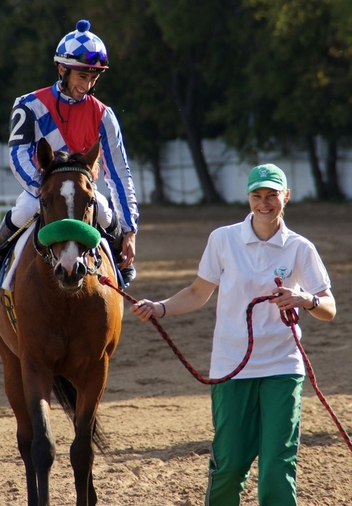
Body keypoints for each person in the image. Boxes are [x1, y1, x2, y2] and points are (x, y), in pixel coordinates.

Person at [131, 163, 336, 506]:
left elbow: (329, 308)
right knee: (229, 465)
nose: (264, 203)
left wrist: (305, 299)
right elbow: (198, 292)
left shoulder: (301, 248)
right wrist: (160, 307)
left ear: (286, 196)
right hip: (231, 368)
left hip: (283, 368)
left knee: (276, 466)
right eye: (257, 196)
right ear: (248, 198)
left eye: (272, 195)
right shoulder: (223, 239)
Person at [0, 19, 138, 286]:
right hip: (42, 189)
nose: (87, 85)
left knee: (106, 214)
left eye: (94, 78)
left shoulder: (104, 115)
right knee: (25, 209)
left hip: (83, 189)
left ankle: (121, 266)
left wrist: (130, 230)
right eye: (82, 77)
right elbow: (18, 157)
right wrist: (43, 189)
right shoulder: (28, 105)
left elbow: (119, 172)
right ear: (62, 70)